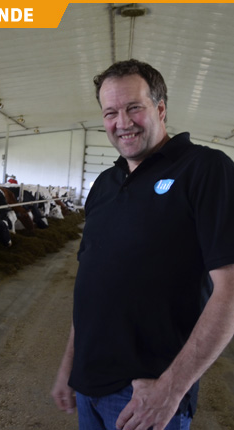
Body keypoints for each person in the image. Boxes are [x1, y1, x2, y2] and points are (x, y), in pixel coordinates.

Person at [51, 58, 234, 430]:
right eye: (111, 112)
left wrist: (171, 389)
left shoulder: (204, 169)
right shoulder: (104, 184)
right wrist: (70, 364)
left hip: (146, 393)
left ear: (161, 108)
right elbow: (92, 284)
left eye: (134, 107)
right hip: (88, 387)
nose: (123, 122)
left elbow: (230, 290)